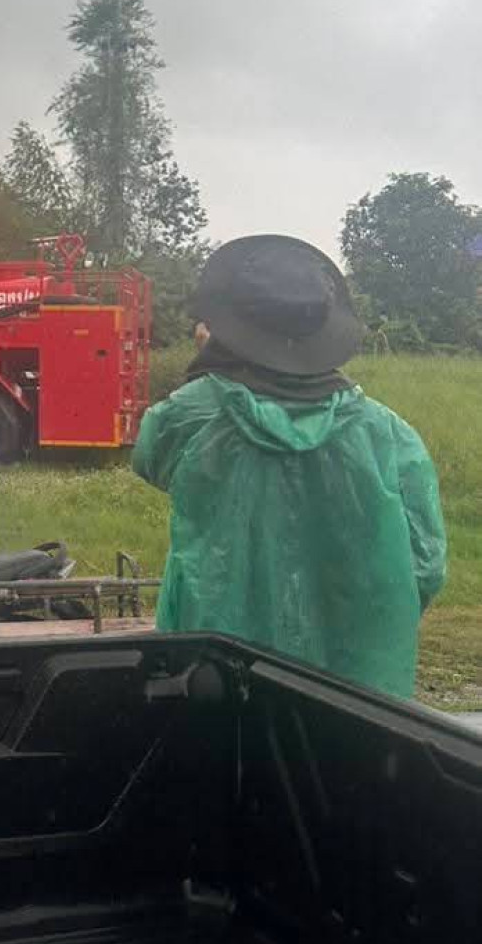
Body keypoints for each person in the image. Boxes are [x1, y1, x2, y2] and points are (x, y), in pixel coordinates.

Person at [133, 235, 446, 698]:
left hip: (221, 681)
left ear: (232, 328)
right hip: (355, 699)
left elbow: (151, 458)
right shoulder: (390, 436)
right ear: (323, 332)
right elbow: (426, 567)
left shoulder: (189, 415)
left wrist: (209, 364)